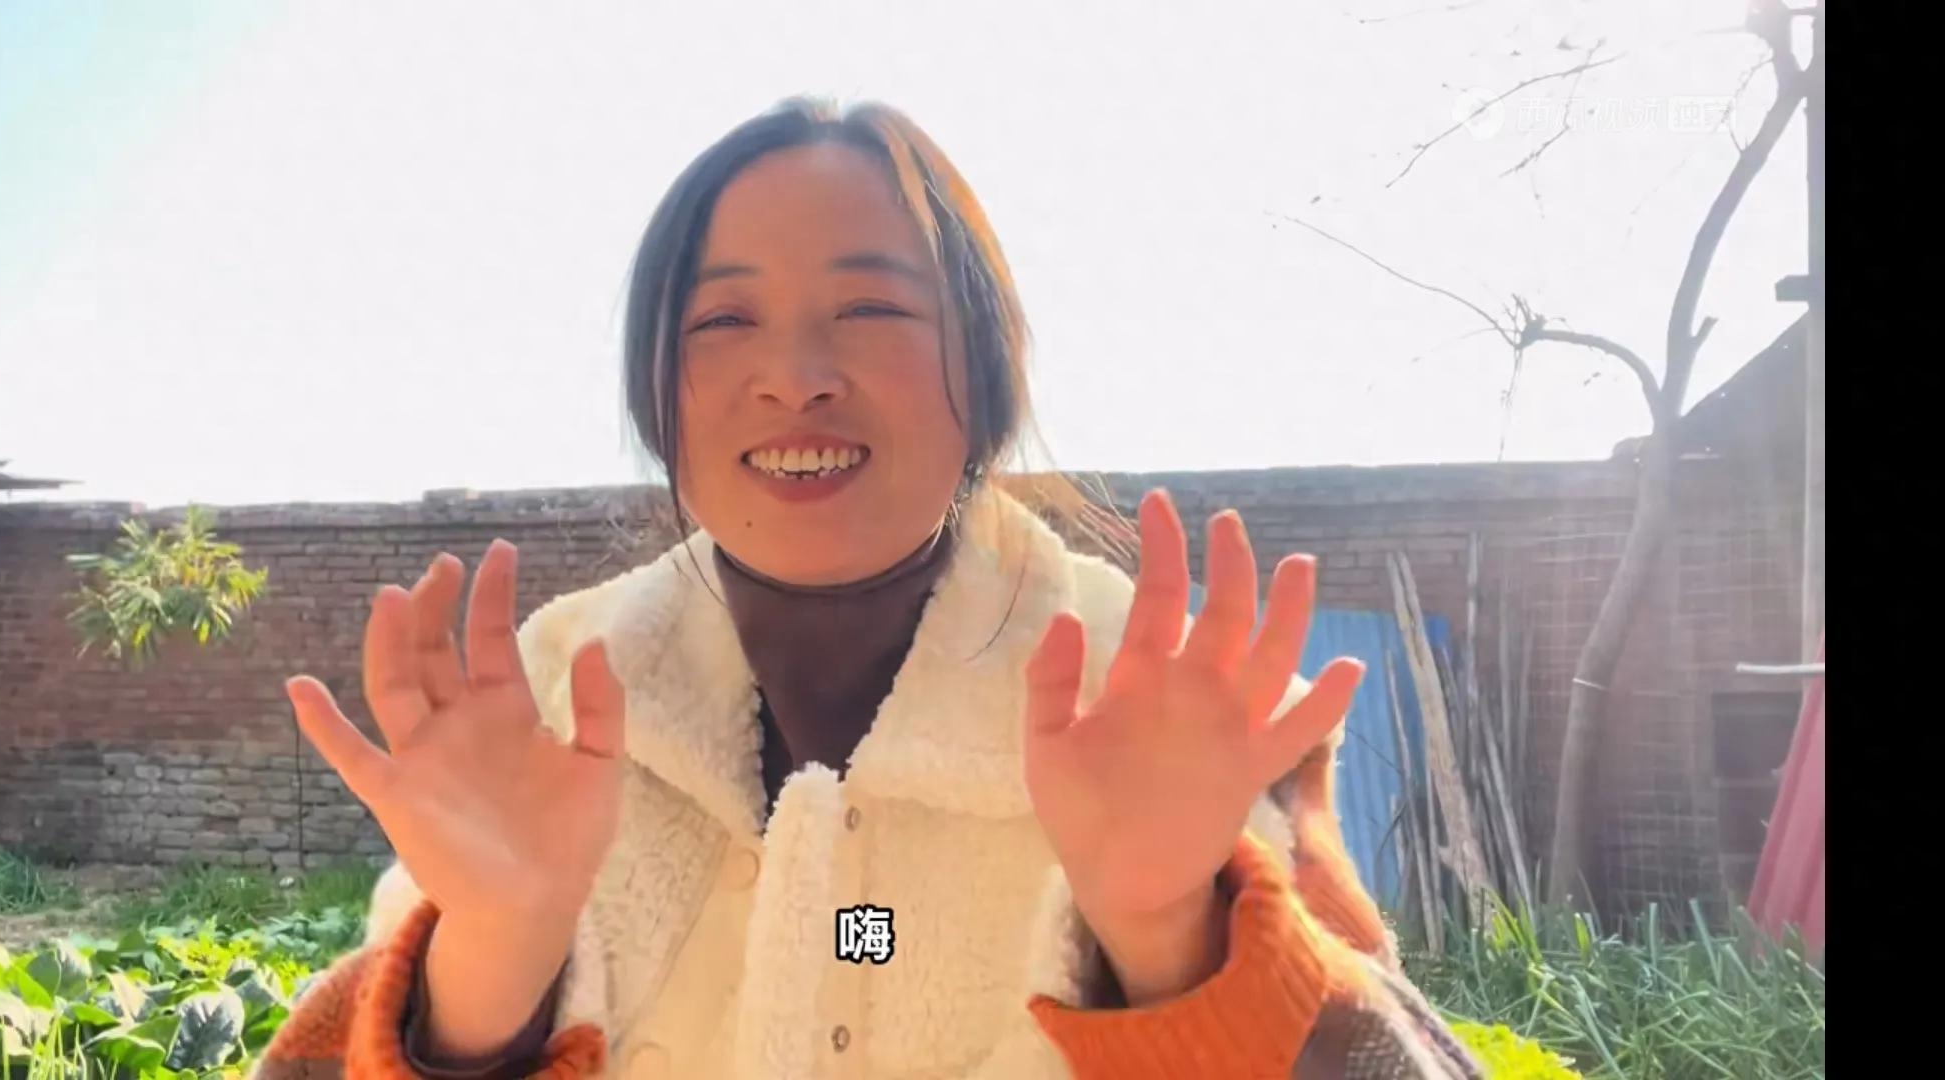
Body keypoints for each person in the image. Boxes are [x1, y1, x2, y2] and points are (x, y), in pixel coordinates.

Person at [257, 98, 1483, 1079]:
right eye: (724, 320)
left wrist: (1168, 939)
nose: (796, 375)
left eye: (870, 306)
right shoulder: (543, 706)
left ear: (986, 375)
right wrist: (491, 970)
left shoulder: (1167, 707)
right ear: (656, 392)